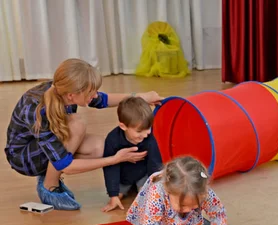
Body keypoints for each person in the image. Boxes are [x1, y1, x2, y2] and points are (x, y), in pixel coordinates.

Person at [4, 58, 162, 210]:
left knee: (101, 147)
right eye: (91, 92)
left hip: (47, 146)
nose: (95, 95)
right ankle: (49, 186)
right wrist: (115, 159)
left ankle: (50, 173)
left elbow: (105, 100)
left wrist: (142, 97)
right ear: (72, 95)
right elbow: (66, 165)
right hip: (23, 157)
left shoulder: (67, 91)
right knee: (76, 124)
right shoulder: (35, 108)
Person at [101, 97, 163, 212]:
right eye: (139, 131)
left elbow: (155, 163)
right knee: (117, 196)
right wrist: (113, 195)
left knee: (146, 197)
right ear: (123, 126)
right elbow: (110, 167)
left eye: (148, 128)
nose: (145, 134)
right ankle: (127, 189)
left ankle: (139, 187)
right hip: (123, 178)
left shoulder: (149, 137)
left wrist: (155, 188)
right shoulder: (112, 140)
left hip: (143, 175)